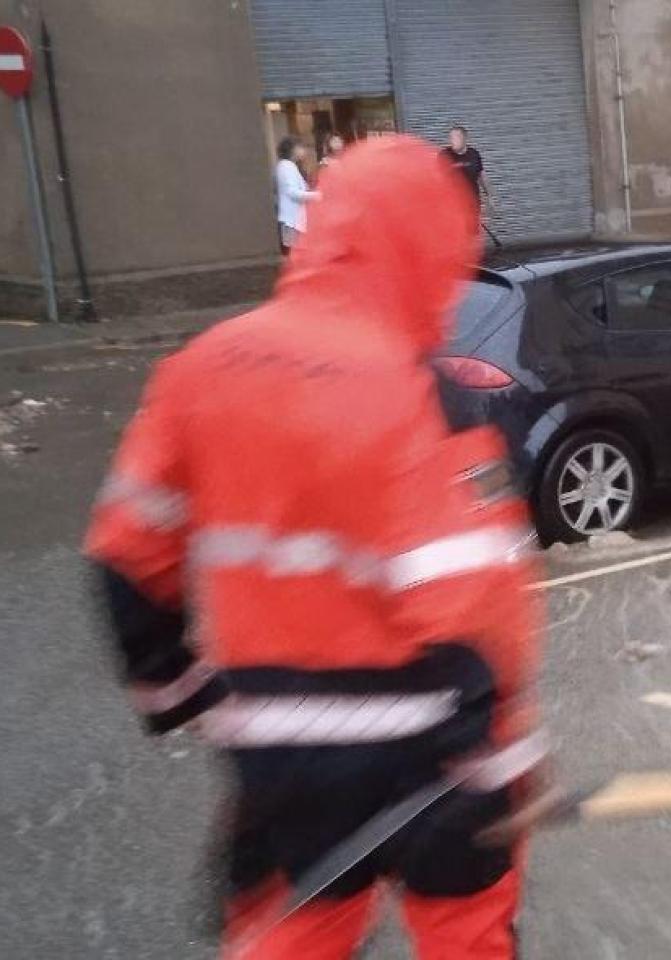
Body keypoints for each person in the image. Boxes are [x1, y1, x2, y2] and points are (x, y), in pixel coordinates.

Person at [87, 135, 548, 959]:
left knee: (291, 935)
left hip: (281, 759)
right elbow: (478, 602)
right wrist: (503, 754)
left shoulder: (202, 369)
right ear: (431, 250)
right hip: (429, 762)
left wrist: (178, 692)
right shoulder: (422, 395)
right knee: (467, 937)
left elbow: (125, 556)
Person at [274, 137, 319, 255]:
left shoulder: (290, 166)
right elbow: (292, 192)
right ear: (292, 149)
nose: (303, 151)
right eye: (300, 147)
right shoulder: (286, 166)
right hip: (291, 220)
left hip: (295, 220)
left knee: (297, 252)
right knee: (294, 253)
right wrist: (317, 195)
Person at [441, 125, 489, 213]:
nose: (453, 140)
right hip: (452, 203)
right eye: (451, 137)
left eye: (457, 137)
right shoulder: (444, 155)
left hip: (473, 202)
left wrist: (489, 195)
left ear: (465, 138)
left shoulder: (474, 154)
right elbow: (438, 178)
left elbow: (481, 175)